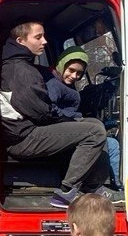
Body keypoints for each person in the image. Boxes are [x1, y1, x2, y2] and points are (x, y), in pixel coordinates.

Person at [0, 21, 110, 209]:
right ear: (20, 40)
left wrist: (75, 121)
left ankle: (91, 189)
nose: (44, 41)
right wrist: (71, 119)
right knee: (95, 131)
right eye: (38, 37)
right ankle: (66, 194)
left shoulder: (22, 66)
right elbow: (42, 112)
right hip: (23, 139)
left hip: (25, 133)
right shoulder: (21, 70)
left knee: (92, 124)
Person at [47, 48, 122, 191]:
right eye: (71, 70)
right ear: (62, 64)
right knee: (110, 144)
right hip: (59, 128)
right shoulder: (54, 84)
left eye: (79, 73)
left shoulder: (63, 83)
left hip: (65, 126)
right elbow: (51, 110)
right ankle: (96, 187)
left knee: (101, 131)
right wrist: (77, 119)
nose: (74, 76)